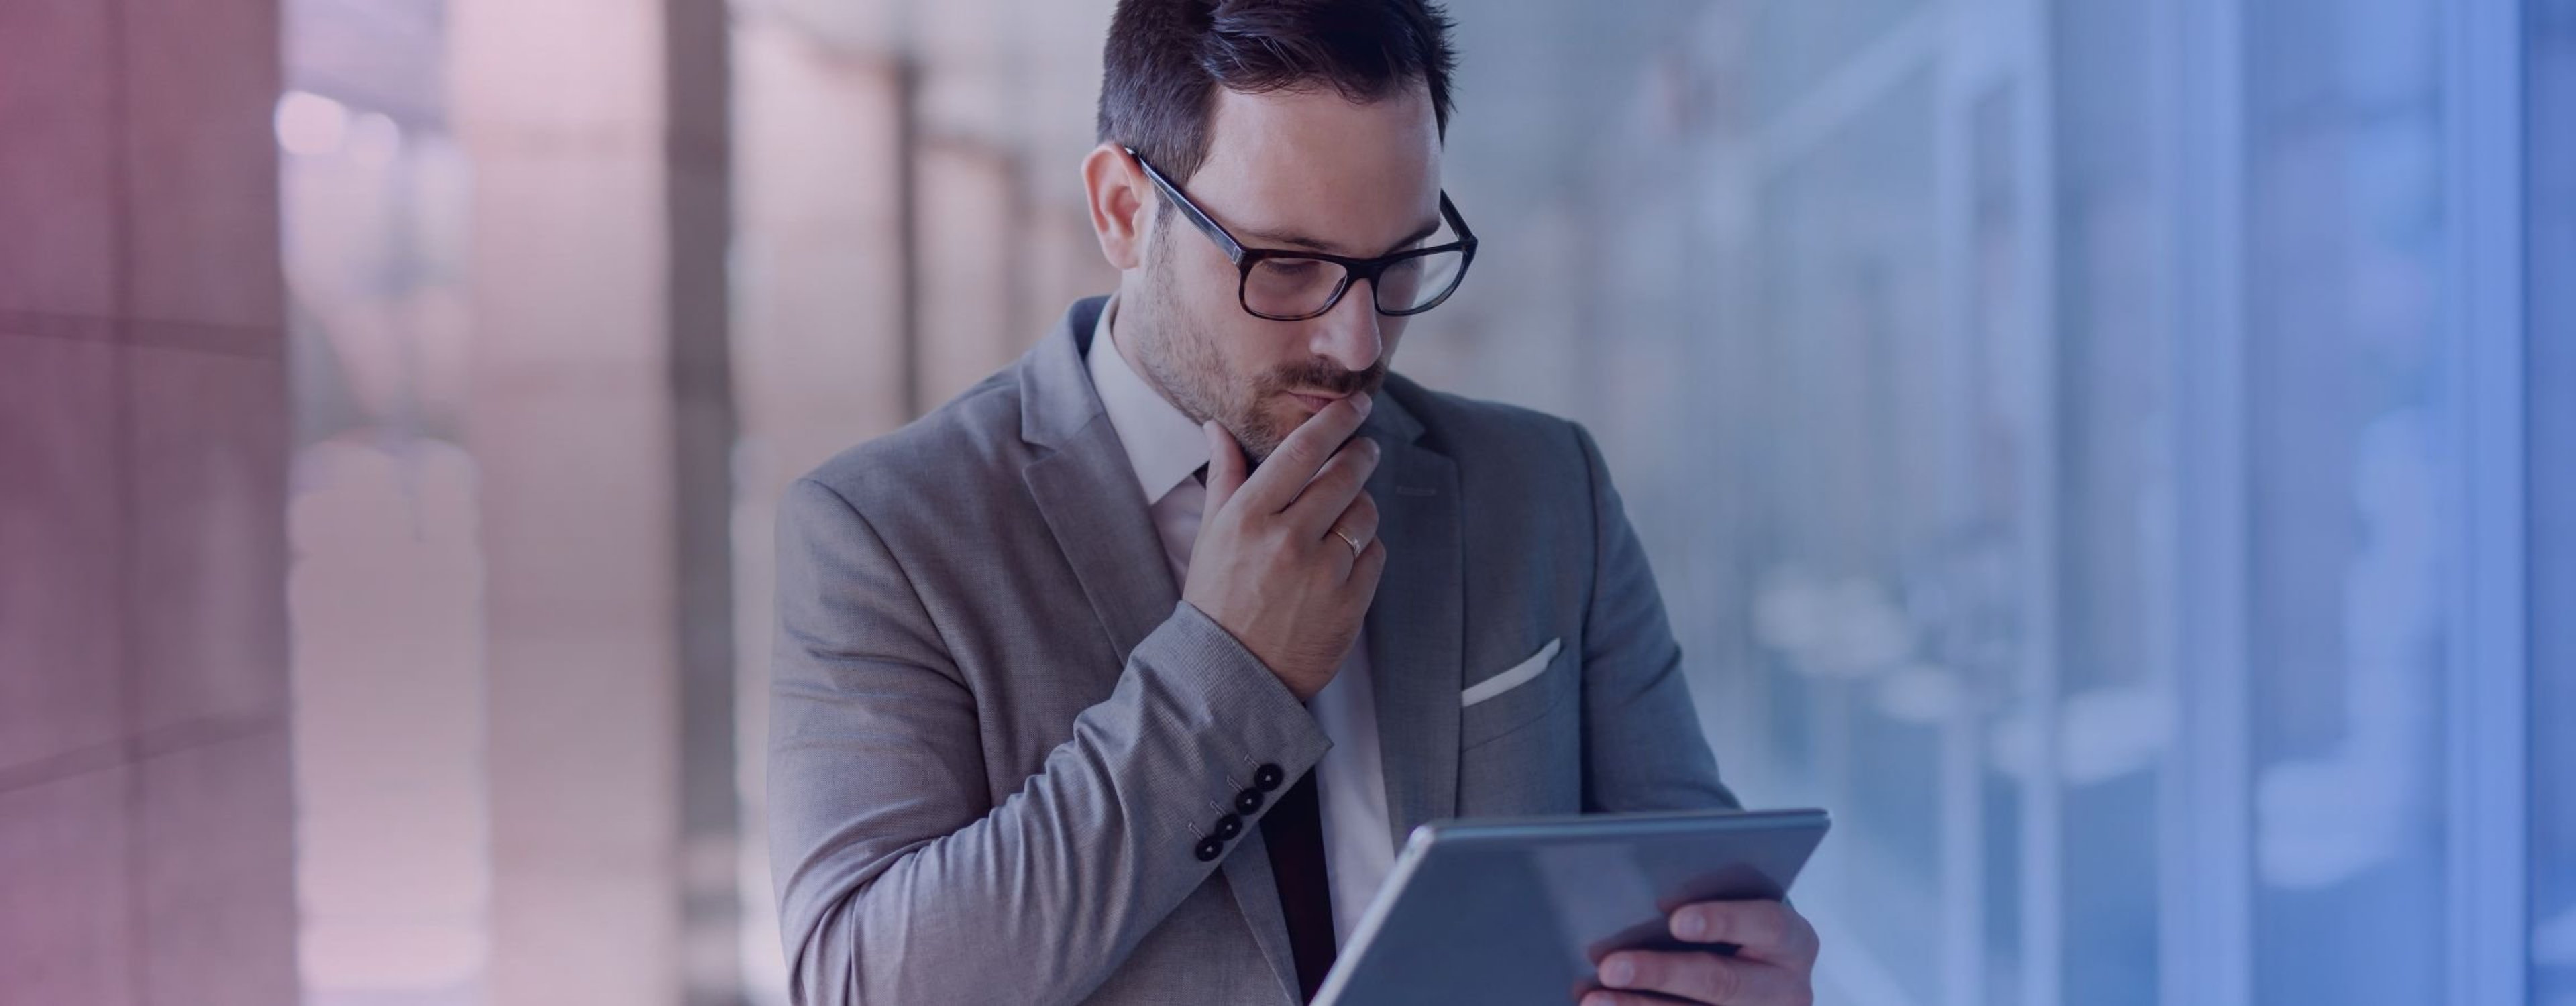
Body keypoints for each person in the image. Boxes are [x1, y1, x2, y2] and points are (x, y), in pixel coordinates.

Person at [766, 1, 1821, 1003]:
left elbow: (1688, 888)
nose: (1356, 343)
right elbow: (865, 980)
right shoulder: (886, 533)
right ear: (1125, 211)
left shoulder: (1545, 488)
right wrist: (1231, 672)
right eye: (1287, 264)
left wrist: (1733, 969)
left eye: (1398, 263)